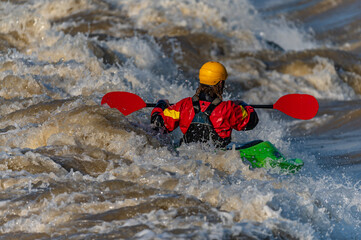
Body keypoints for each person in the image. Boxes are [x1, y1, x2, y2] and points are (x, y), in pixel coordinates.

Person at [151, 61, 259, 148]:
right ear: (220, 83)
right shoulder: (228, 108)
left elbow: (157, 123)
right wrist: (243, 104)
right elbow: (252, 121)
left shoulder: (184, 105)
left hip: (188, 153)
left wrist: (161, 104)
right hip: (218, 156)